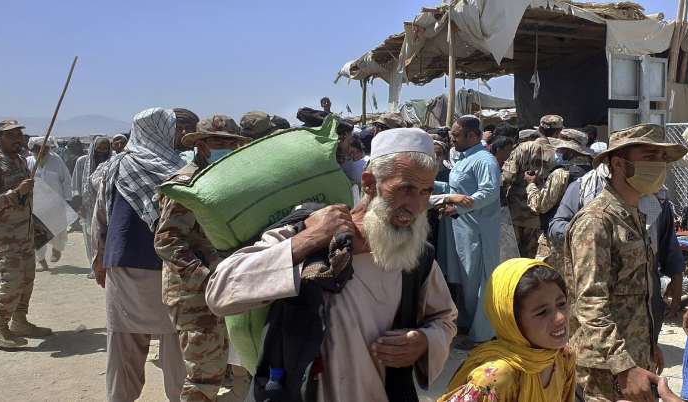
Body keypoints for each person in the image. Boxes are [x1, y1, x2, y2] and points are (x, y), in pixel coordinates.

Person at [206, 128, 457, 402]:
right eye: (406, 189)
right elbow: (219, 292)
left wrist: (423, 342)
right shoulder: (309, 228)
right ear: (370, 183)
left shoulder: (417, 256)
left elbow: (444, 319)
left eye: (425, 192)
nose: (416, 205)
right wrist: (309, 239)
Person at [564, 123, 687, 402]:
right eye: (650, 157)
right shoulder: (597, 221)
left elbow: (633, 293)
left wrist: (647, 345)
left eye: (662, 159)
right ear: (619, 164)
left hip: (632, 357)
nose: (659, 166)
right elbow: (590, 301)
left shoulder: (633, 214)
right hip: (605, 368)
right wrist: (623, 366)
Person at [91, 108, 186, 402]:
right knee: (177, 342)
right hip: (175, 265)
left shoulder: (116, 165)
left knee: (123, 341)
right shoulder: (182, 168)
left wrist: (99, 259)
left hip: (124, 264)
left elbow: (101, 217)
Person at [155, 114, 252, 402]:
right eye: (215, 141)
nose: (223, 146)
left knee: (237, 365)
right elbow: (167, 240)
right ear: (200, 145)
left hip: (227, 284)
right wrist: (206, 278)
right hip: (194, 292)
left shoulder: (227, 178)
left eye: (229, 142)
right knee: (204, 376)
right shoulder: (185, 184)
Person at [438, 259, 575, 402]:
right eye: (542, 312)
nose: (560, 318)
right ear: (511, 321)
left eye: (562, 304)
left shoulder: (563, 357)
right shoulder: (496, 378)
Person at [0, 119, 52, 347]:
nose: (18, 140)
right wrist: (15, 193)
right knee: (13, 279)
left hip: (24, 230)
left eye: (19, 135)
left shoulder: (20, 161)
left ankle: (19, 320)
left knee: (28, 277)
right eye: (11, 136)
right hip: (4, 234)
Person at [438, 115, 501, 347]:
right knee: (465, 281)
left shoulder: (484, 160)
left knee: (480, 283)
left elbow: (489, 192)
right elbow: (457, 187)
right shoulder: (464, 159)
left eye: (456, 135)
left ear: (472, 136)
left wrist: (459, 207)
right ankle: (467, 324)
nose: (451, 139)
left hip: (478, 232)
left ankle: (483, 335)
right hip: (462, 231)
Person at [524, 129, 593, 269]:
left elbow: (539, 205)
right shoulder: (594, 172)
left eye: (562, 149)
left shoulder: (562, 174)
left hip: (556, 242)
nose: (559, 152)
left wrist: (531, 185)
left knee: (548, 282)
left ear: (571, 151)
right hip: (585, 239)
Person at [501, 115, 559, 258]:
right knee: (531, 259)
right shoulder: (558, 153)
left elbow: (507, 177)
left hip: (515, 211)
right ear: (559, 132)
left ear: (539, 128)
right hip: (539, 214)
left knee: (511, 257)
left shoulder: (523, 148)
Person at [27, 136, 73, 272]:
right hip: (36, 205)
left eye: (45, 148)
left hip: (56, 202)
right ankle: (41, 261)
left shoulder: (56, 160)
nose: (42, 151)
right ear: (33, 149)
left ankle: (57, 249)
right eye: (38, 148)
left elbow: (66, 180)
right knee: (38, 234)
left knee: (58, 229)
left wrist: (67, 199)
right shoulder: (28, 162)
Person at [71, 136, 112, 271]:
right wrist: (78, 205)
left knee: (105, 237)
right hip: (87, 206)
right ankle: (93, 266)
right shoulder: (82, 162)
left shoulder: (112, 162)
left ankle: (105, 266)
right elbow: (76, 185)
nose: (102, 151)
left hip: (107, 206)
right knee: (90, 237)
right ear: (94, 148)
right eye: (99, 148)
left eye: (105, 149)